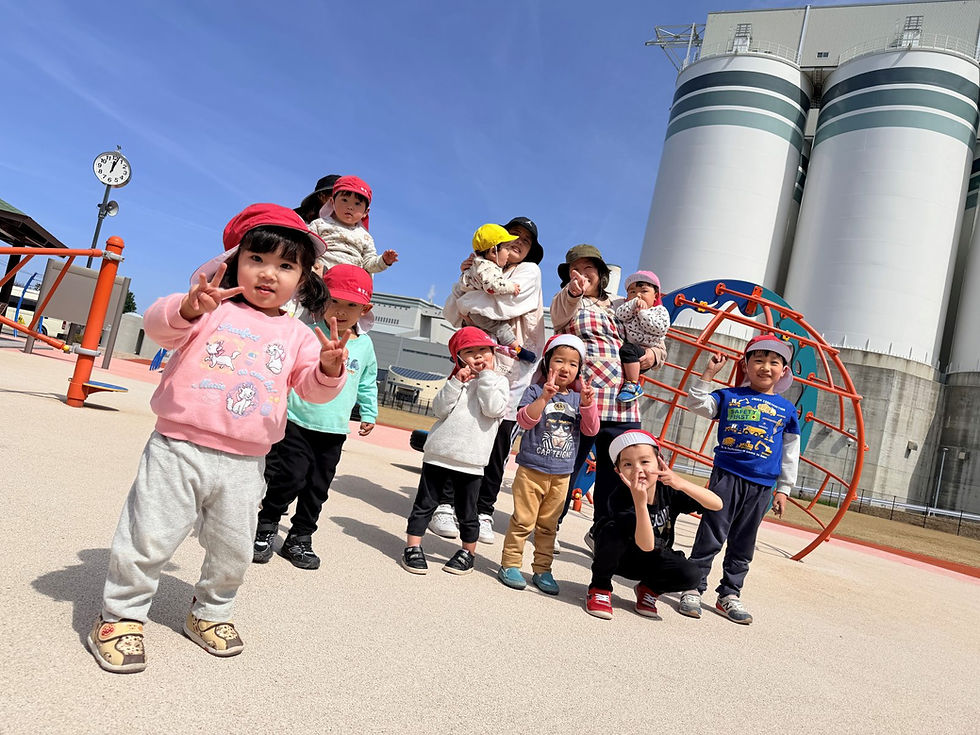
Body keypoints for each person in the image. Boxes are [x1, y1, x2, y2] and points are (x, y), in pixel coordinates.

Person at [88, 204, 350, 674]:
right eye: (257, 260)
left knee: (234, 546)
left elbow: (310, 387)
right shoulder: (210, 309)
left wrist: (330, 368)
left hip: (247, 462)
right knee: (149, 535)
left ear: (304, 279)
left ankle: (211, 611)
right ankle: (121, 615)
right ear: (232, 263)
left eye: (286, 266)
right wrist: (188, 307)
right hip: (178, 448)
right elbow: (157, 327)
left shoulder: (299, 335)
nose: (269, 274)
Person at [253, 264, 378, 570]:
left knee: (317, 488)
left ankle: (300, 537)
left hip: (333, 430)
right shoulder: (306, 334)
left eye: (352, 305)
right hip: (296, 420)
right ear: (320, 300)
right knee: (288, 477)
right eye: (334, 301)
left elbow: (366, 380)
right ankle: (266, 526)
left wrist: (369, 412)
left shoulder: (365, 345)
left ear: (365, 309)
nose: (342, 311)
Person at [679, 334, 800, 625]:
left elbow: (790, 451)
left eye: (774, 362)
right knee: (711, 533)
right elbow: (697, 404)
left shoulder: (787, 410)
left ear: (783, 372)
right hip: (726, 477)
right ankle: (693, 586)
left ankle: (729, 594)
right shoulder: (728, 396)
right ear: (745, 365)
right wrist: (708, 374)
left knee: (744, 542)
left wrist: (783, 489)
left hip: (761, 485)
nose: (765, 367)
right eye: (758, 360)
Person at [551, 245, 666, 547]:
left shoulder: (620, 303)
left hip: (622, 401)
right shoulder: (567, 301)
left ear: (601, 275)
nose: (583, 274)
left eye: (590, 269)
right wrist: (573, 293)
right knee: (568, 466)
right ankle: (551, 527)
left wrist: (649, 357)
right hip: (583, 397)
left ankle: (602, 532)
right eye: (576, 269)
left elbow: (657, 343)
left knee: (617, 473)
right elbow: (558, 317)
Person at [440, 217, 546, 544]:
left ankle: (482, 509)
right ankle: (444, 503)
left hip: (511, 369)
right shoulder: (480, 265)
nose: (518, 242)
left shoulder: (529, 272)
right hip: (476, 357)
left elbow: (500, 304)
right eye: (513, 236)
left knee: (498, 441)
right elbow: (450, 310)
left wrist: (467, 298)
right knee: (458, 426)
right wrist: (465, 285)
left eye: (525, 241)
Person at [402, 327, 510, 575]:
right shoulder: (456, 380)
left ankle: (468, 552)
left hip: (471, 460)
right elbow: (439, 410)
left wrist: (485, 378)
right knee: (425, 504)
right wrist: (455, 383)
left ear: (493, 353)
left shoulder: (499, 382)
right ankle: (413, 547)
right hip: (439, 454)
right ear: (459, 358)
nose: (479, 356)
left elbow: (493, 409)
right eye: (470, 352)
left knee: (467, 511)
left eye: (483, 350)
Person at [497, 335, 599, 595]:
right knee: (523, 520)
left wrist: (588, 405)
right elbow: (525, 420)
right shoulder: (534, 391)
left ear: (579, 369)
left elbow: (591, 430)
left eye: (573, 364)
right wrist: (544, 397)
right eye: (559, 361)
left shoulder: (579, 399)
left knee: (548, 526)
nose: (566, 368)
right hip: (531, 470)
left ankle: (542, 569)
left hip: (562, 475)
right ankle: (510, 564)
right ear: (547, 363)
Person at [585, 431, 722, 620]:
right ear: (618, 471)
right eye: (627, 464)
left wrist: (680, 483)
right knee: (611, 530)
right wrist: (640, 504)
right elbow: (645, 544)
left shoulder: (667, 489)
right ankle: (599, 587)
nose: (638, 469)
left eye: (645, 461)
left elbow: (716, 504)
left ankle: (648, 589)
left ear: (660, 461)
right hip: (621, 559)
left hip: (652, 559)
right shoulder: (620, 497)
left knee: (692, 575)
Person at [452, 223, 536, 363]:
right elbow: (493, 288)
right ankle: (518, 350)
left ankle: (460, 350)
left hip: (471, 312)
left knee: (474, 333)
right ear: (493, 251)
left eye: (526, 240)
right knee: (500, 328)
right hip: (477, 313)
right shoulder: (487, 268)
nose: (509, 251)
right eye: (507, 248)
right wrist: (511, 287)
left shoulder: (528, 270)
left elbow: (463, 290)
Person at [308, 175, 398, 274]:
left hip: (351, 280)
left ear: (365, 212)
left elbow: (368, 264)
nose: (350, 207)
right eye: (344, 200)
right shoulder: (319, 224)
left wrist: (383, 261)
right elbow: (306, 247)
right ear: (332, 202)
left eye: (357, 203)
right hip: (322, 274)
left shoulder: (365, 237)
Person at [614, 270, 671, 404]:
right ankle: (630, 383)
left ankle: (633, 384)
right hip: (630, 351)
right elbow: (620, 315)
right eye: (632, 292)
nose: (638, 295)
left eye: (644, 291)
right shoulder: (627, 308)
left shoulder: (659, 311)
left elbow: (658, 329)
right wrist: (632, 305)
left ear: (655, 295)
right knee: (627, 350)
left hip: (645, 350)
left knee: (628, 350)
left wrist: (643, 313)